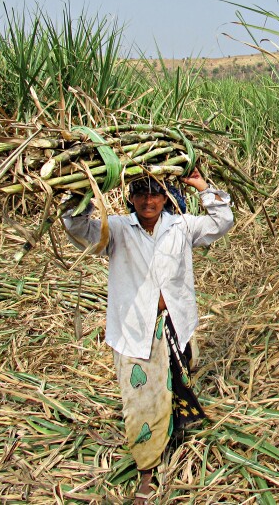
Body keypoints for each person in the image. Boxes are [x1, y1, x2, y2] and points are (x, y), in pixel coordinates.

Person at [62, 169, 234, 503]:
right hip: (133, 330)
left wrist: (201, 186)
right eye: (140, 193)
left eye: (155, 193)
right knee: (140, 401)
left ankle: (173, 441)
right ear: (130, 197)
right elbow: (76, 226)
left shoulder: (181, 227)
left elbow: (222, 219)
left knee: (173, 388)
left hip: (175, 324)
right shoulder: (117, 230)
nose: (148, 200)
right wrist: (81, 189)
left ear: (165, 197)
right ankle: (147, 470)